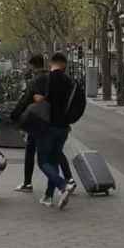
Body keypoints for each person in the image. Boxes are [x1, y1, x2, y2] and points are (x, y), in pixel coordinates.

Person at [10, 55, 76, 193]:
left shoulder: (36, 80)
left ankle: (30, 183)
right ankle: (68, 179)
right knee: (56, 152)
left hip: (38, 120)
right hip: (55, 122)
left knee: (34, 152)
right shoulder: (52, 77)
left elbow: (26, 99)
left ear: (32, 66)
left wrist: (15, 115)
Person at [30, 53, 76, 210]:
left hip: (48, 126)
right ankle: (48, 196)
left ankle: (63, 185)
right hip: (64, 127)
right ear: (64, 64)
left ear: (52, 63)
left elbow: (41, 100)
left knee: (43, 162)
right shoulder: (70, 81)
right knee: (54, 160)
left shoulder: (46, 79)